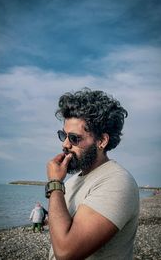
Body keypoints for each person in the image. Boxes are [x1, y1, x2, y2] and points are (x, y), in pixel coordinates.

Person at [46, 88, 139, 260]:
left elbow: (66, 252)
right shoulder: (73, 181)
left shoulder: (117, 182)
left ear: (102, 141)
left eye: (74, 138)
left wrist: (54, 183)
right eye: (63, 135)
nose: (65, 145)